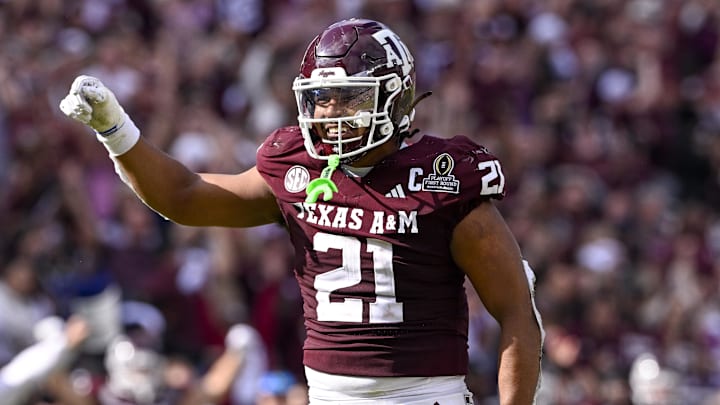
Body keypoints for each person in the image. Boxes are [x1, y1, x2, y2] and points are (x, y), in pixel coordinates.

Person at [59, 18, 544, 405]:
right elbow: (184, 196)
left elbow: (517, 314)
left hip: (422, 396)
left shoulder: (442, 175)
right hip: (326, 395)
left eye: (349, 97)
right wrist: (115, 130)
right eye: (321, 98)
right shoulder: (298, 167)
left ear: (394, 96)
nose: (330, 112)